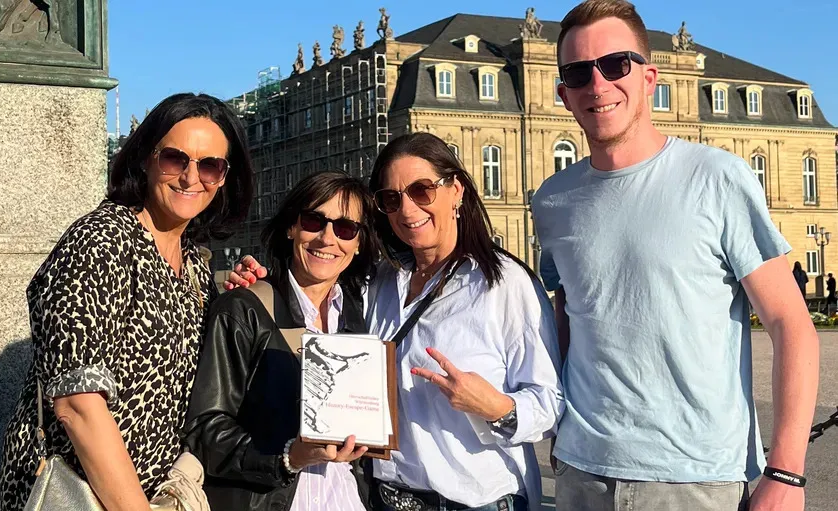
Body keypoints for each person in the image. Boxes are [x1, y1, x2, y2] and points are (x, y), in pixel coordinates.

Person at [532, 1, 820, 510]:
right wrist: (558, 427)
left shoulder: (716, 177)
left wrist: (786, 471)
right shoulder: (553, 200)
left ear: (649, 78)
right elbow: (568, 313)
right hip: (581, 473)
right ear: (564, 95)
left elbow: (789, 322)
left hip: (696, 480)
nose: (597, 84)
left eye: (615, 64)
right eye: (578, 73)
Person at [229, 133, 563, 511]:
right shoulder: (378, 282)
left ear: (456, 190)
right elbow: (315, 285)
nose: (407, 210)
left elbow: (549, 403)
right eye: (391, 198)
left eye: (422, 190)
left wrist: (496, 408)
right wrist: (260, 282)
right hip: (385, 500)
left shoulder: (502, 284)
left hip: (473, 502)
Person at [0, 93, 254, 511]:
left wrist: (234, 297)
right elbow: (77, 403)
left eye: (210, 165)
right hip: (81, 494)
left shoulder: (193, 263)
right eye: (175, 159)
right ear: (146, 159)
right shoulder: (100, 241)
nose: (191, 177)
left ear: (225, 177)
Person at [183, 171, 381, 511]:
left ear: (359, 242)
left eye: (345, 228)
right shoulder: (243, 309)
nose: (327, 238)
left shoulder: (357, 316)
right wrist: (287, 456)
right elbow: (205, 429)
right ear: (291, 227)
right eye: (313, 221)